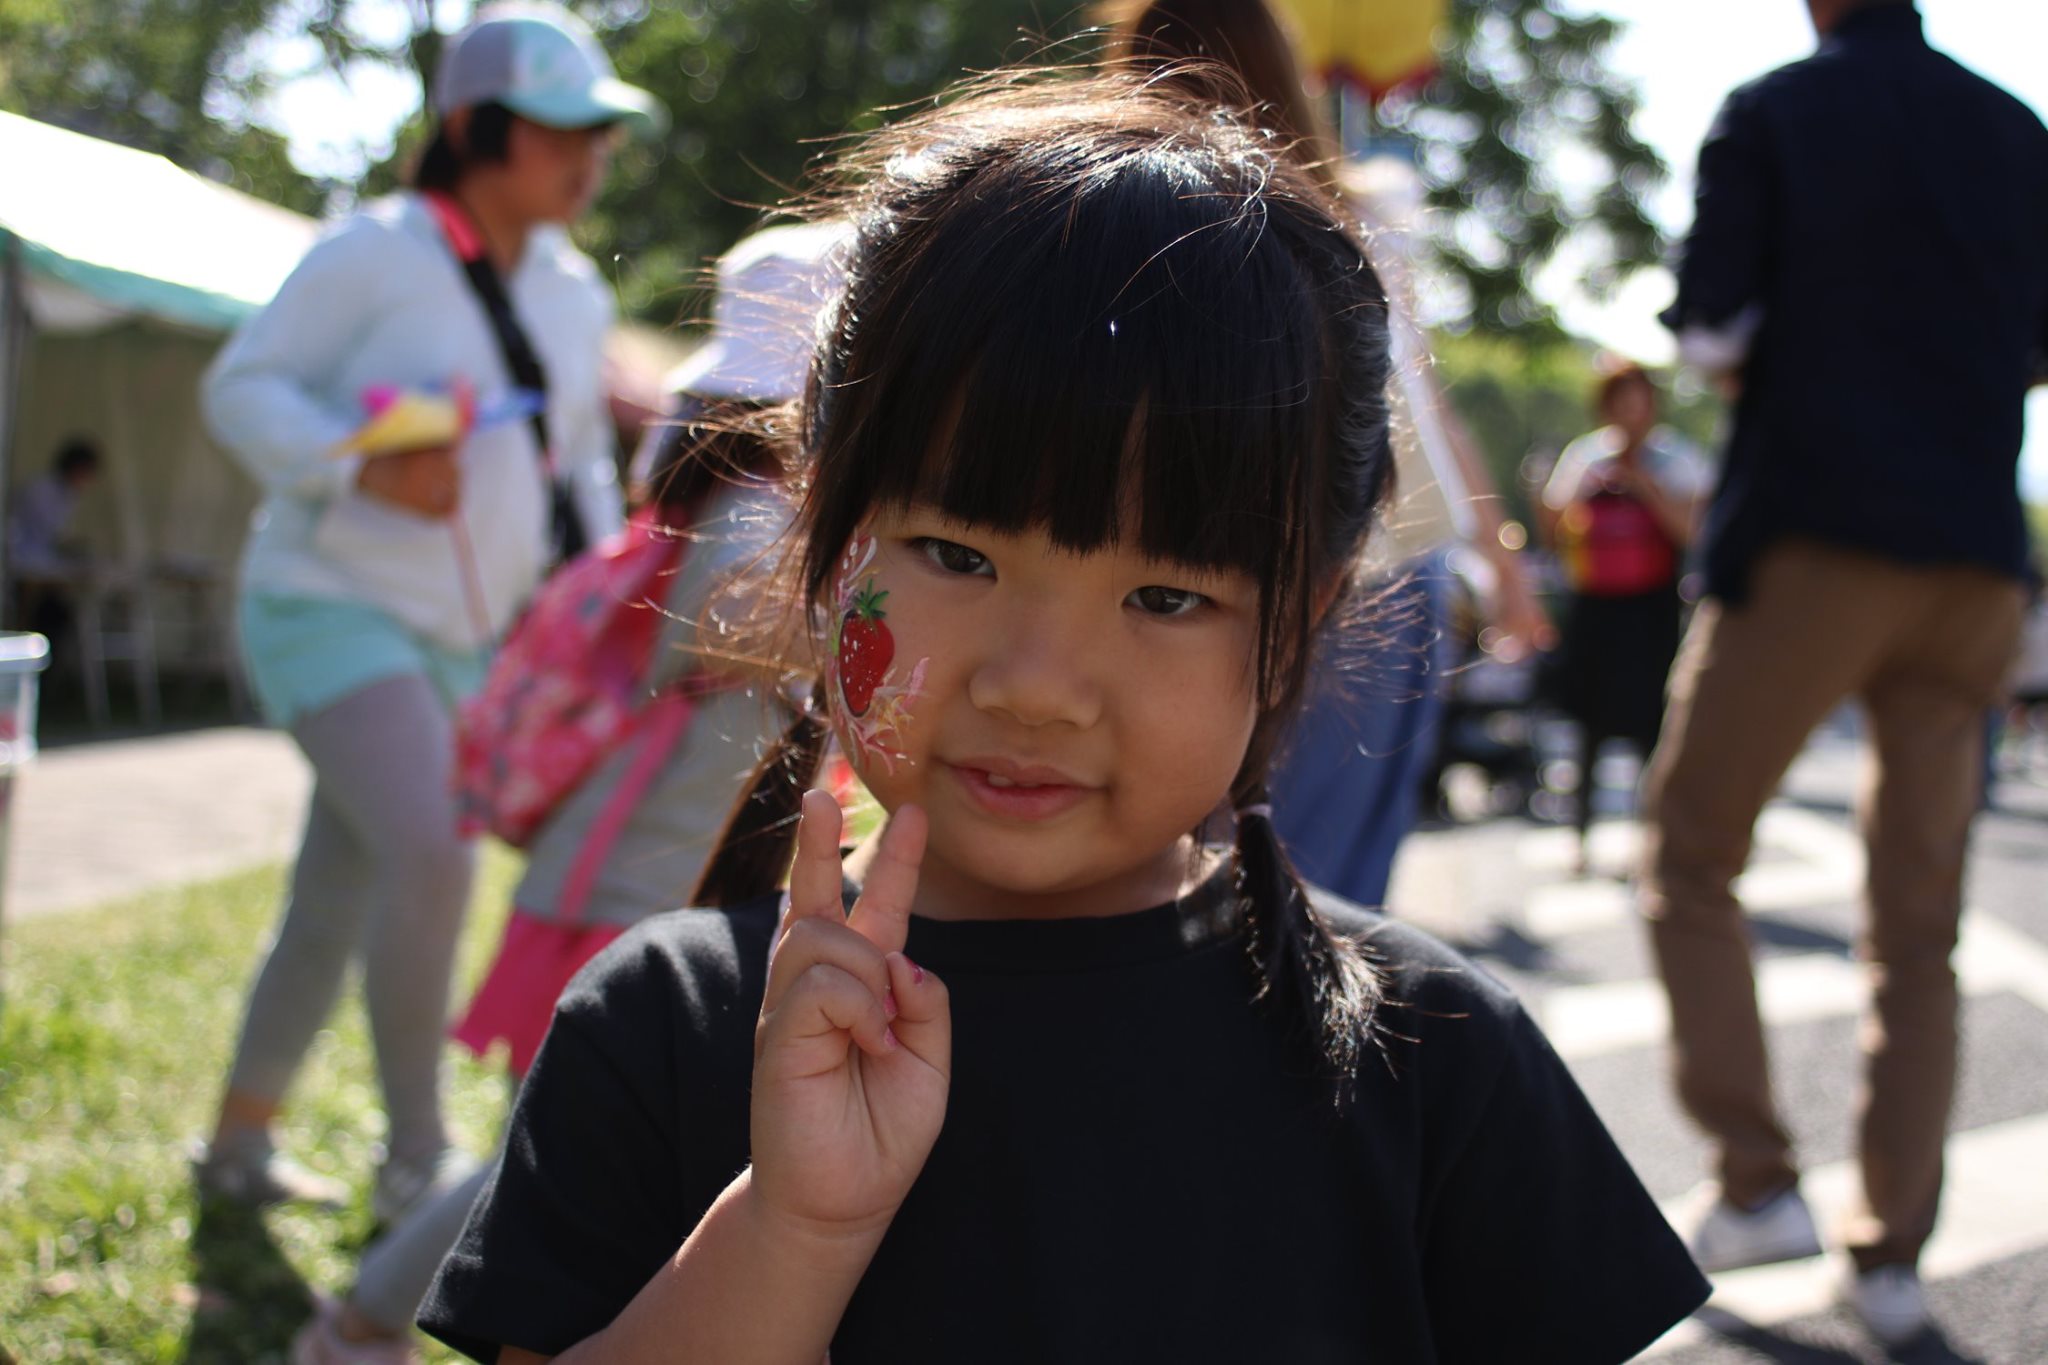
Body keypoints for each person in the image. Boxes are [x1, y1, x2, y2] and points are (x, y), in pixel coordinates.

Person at [416, 76, 1708, 1363]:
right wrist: (791, 1232)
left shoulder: (1428, 1056)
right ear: (823, 534)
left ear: (1297, 623)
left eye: (1165, 595)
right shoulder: (669, 1028)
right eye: (956, 554)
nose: (1035, 684)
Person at [287, 223, 840, 1365]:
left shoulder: (716, 500)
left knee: (562, 1149)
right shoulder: (758, 512)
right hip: (632, 884)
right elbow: (739, 641)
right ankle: (360, 1324)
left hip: (624, 869)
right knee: (536, 1158)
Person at [193, 2, 665, 1227]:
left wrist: (617, 584)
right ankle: (418, 1159)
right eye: (558, 129)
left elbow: (577, 470)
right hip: (325, 605)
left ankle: (236, 1147)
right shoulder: (375, 251)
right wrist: (358, 469)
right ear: (471, 129)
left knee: (335, 896)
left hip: (465, 646)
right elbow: (242, 387)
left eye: (598, 132)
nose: (588, 156)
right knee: (433, 850)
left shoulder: (570, 294)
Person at [1643, 0, 2048, 1347]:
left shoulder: (1772, 111)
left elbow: (1710, 331)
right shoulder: (2017, 129)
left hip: (1814, 534)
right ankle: (1890, 1259)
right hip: (1977, 558)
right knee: (1918, 929)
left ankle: (1756, 1181)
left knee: (1691, 850)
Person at [1102, 0, 1554, 907]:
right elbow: (1424, 412)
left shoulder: (1114, 219)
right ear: (1280, 67)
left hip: (1202, 577)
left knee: (1190, 875)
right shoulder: (1360, 212)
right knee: (1327, 895)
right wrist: (1505, 566)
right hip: (1385, 567)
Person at [1537, 362, 1706, 876]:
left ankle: (1650, 837)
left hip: (1651, 612)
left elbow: (1693, 532)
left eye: (1639, 402)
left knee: (1651, 726)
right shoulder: (1586, 457)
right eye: (1621, 402)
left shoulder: (1678, 459)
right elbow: (1554, 527)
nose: (1631, 413)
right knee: (1587, 725)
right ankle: (1580, 836)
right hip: (1595, 608)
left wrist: (1644, 487)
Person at [6, 438, 101, 651]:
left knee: (58, 613)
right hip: (23, 564)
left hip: (39, 564)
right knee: (40, 613)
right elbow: (46, 534)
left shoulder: (66, 494)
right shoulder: (42, 490)